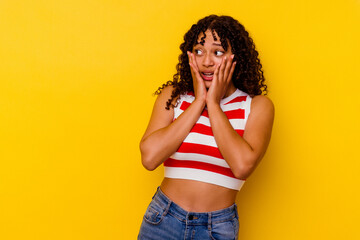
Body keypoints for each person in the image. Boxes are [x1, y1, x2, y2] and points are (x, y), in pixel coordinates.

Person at [138, 14, 274, 240]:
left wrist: (213, 104)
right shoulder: (174, 97)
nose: (206, 61)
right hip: (162, 220)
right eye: (199, 51)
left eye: (218, 52)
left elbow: (241, 167)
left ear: (235, 57)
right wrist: (199, 101)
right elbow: (149, 158)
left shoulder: (256, 106)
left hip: (216, 228)